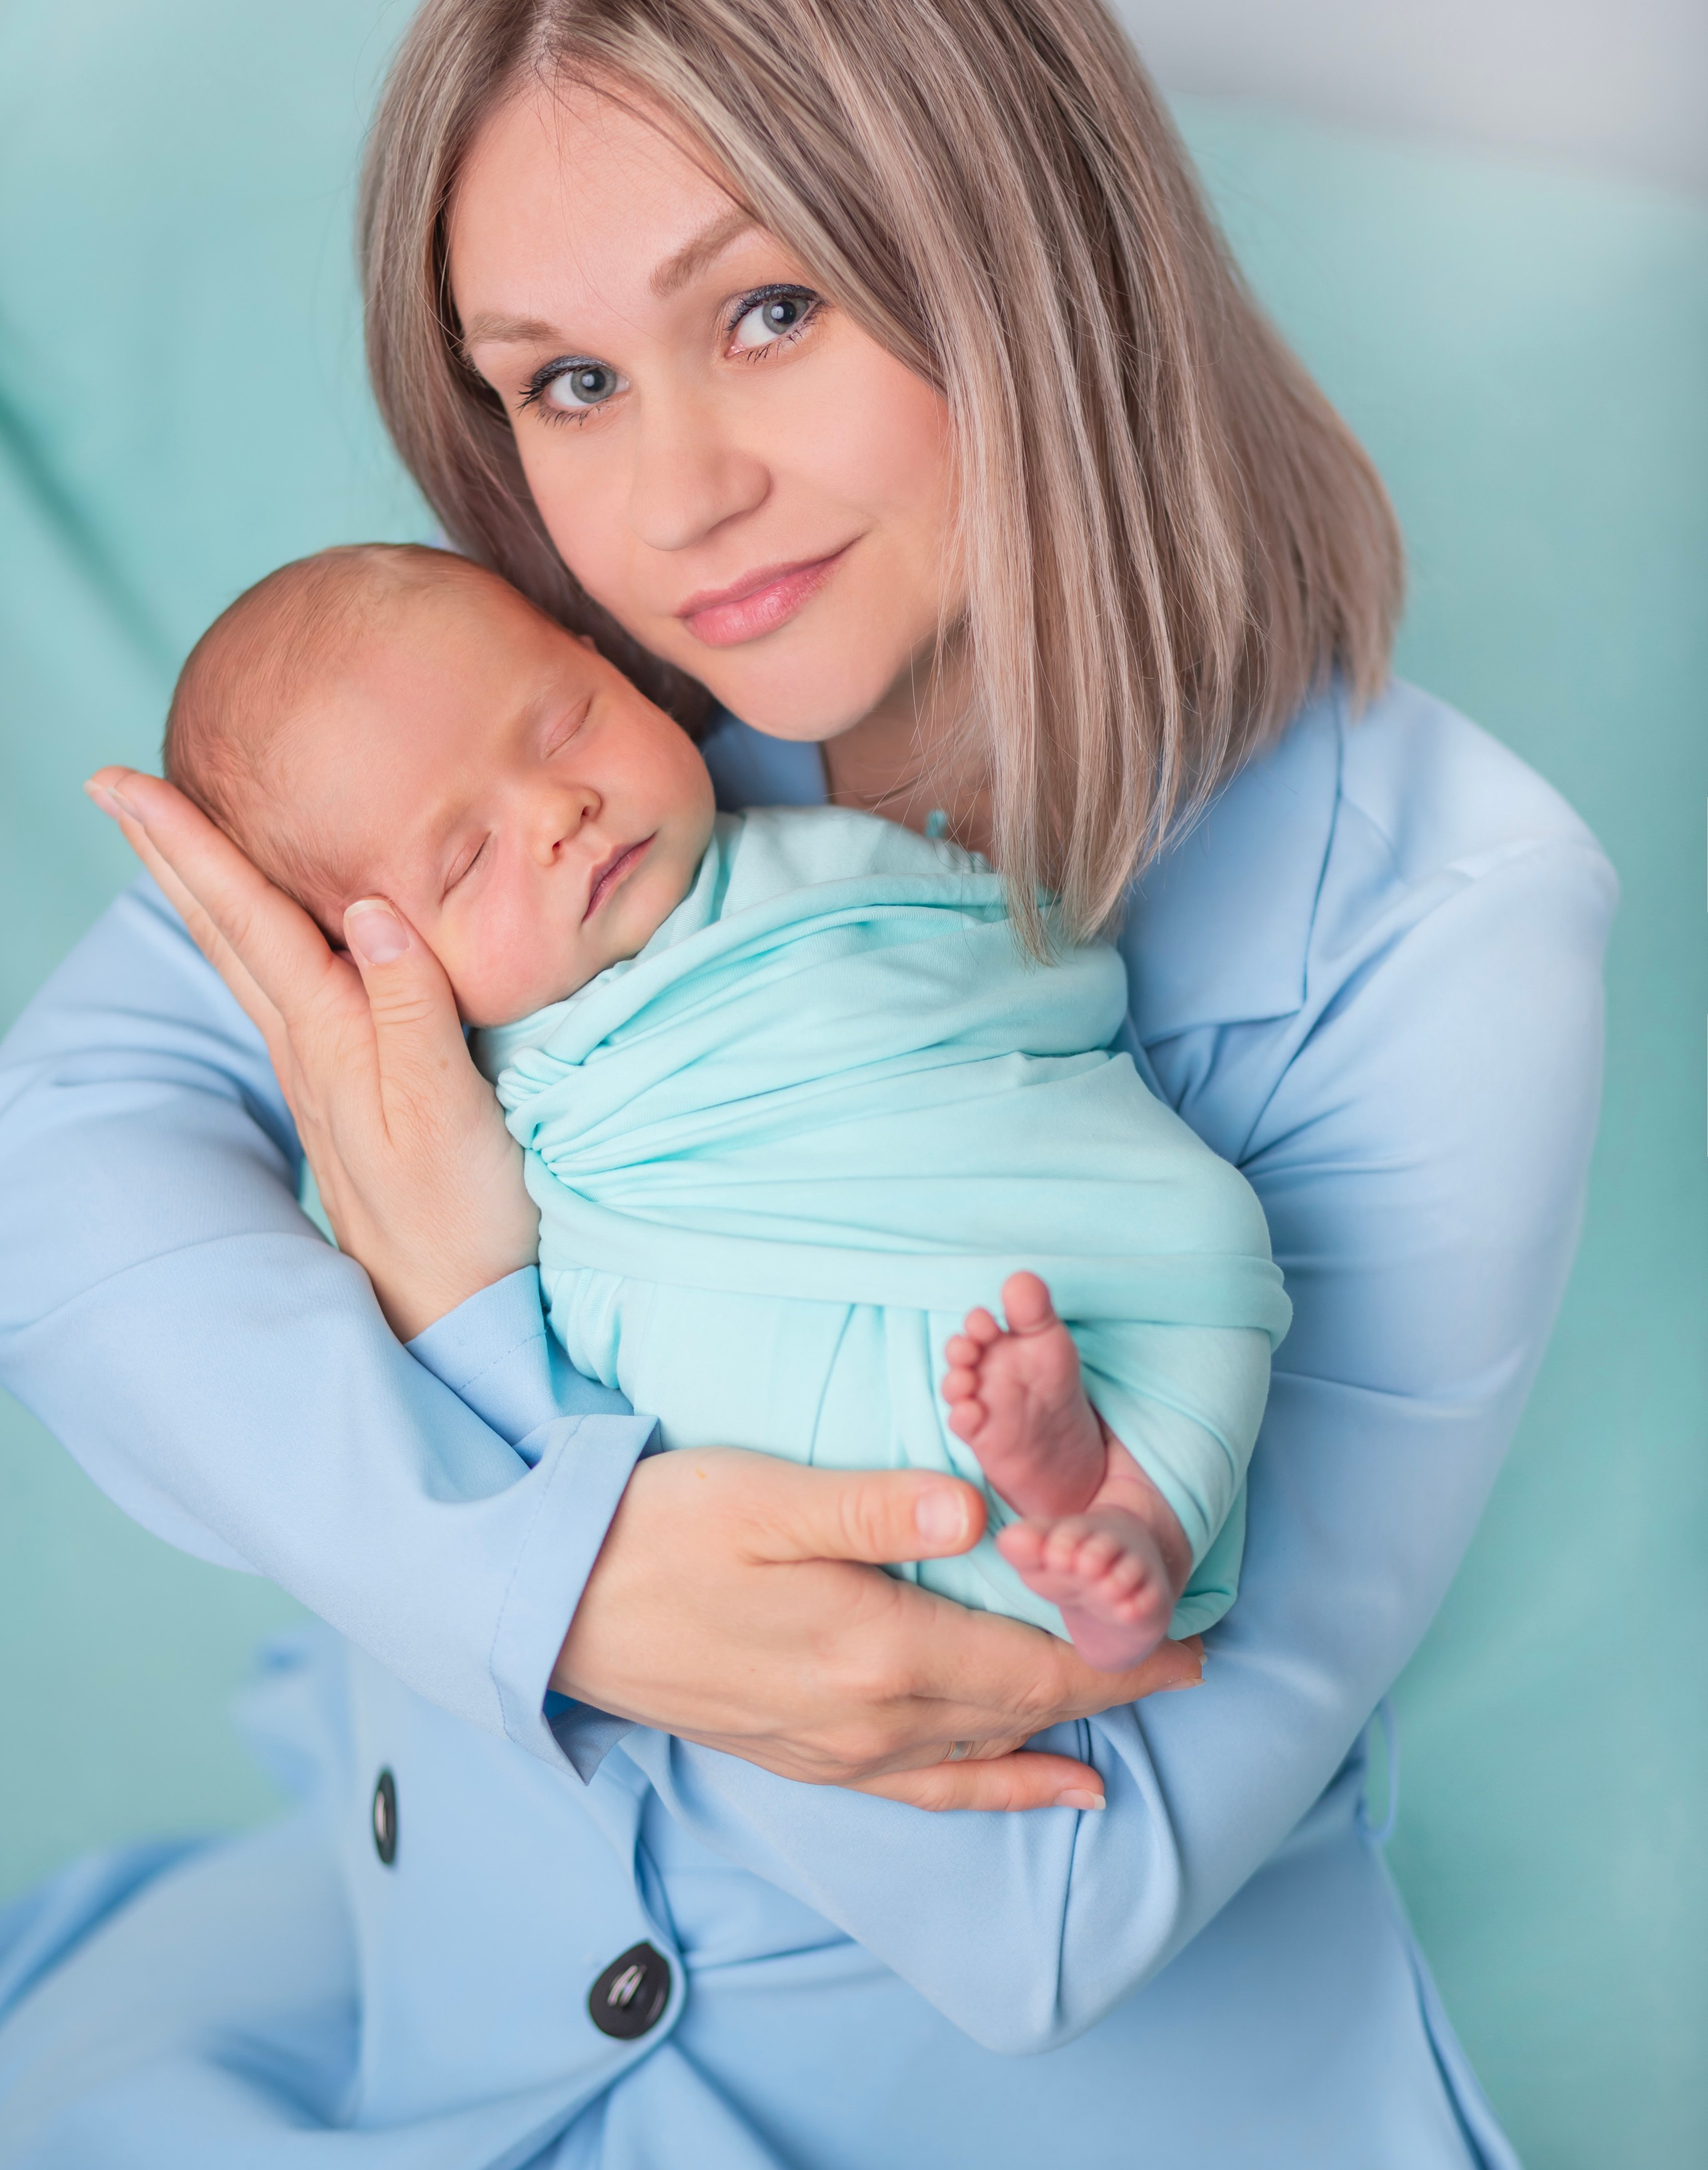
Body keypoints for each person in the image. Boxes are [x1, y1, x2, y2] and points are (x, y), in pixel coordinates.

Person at [0, 0, 1612, 2170]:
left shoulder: (1444, 921)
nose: (674, 504)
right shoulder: (550, 726)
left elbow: (1048, 1903)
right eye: (565, 382)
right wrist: (548, 1576)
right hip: (407, 2032)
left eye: (768, 311)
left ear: (1027, 258)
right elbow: (73, 1171)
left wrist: (478, 1341)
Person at [160, 538, 1291, 1668]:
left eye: (566, 725)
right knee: (752, 1392)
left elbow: (1022, 974)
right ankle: (1063, 1516)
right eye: (465, 859)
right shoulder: (456, 1092)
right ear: (374, 962)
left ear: (613, 664)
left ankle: (1132, 1516)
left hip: (1047, 1243)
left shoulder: (820, 848)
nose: (559, 809)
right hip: (760, 1350)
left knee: (1202, 1225)